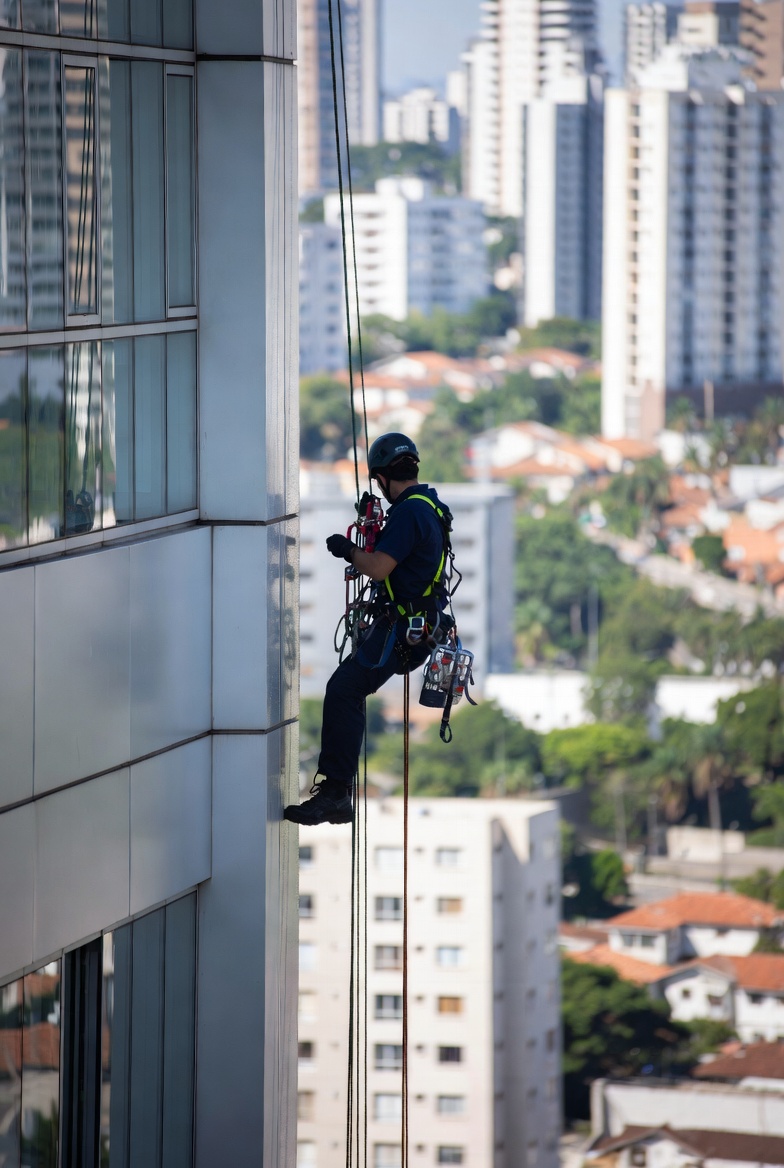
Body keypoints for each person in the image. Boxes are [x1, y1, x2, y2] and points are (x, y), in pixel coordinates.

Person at [284, 433, 453, 826]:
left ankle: (336, 793)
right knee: (349, 688)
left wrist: (348, 549)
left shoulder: (410, 513)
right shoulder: (429, 504)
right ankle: (337, 790)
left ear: (381, 477)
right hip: (414, 623)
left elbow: (378, 568)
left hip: (403, 628)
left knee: (344, 689)